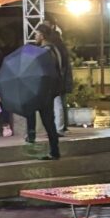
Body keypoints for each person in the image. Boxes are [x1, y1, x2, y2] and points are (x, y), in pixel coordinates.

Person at [26, 23, 61, 160]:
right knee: (48, 121)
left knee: (48, 121)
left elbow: (43, 72)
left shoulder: (45, 51)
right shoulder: (54, 49)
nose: (35, 36)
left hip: (44, 91)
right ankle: (53, 150)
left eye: (36, 33)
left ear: (41, 35)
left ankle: (54, 151)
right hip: (48, 91)